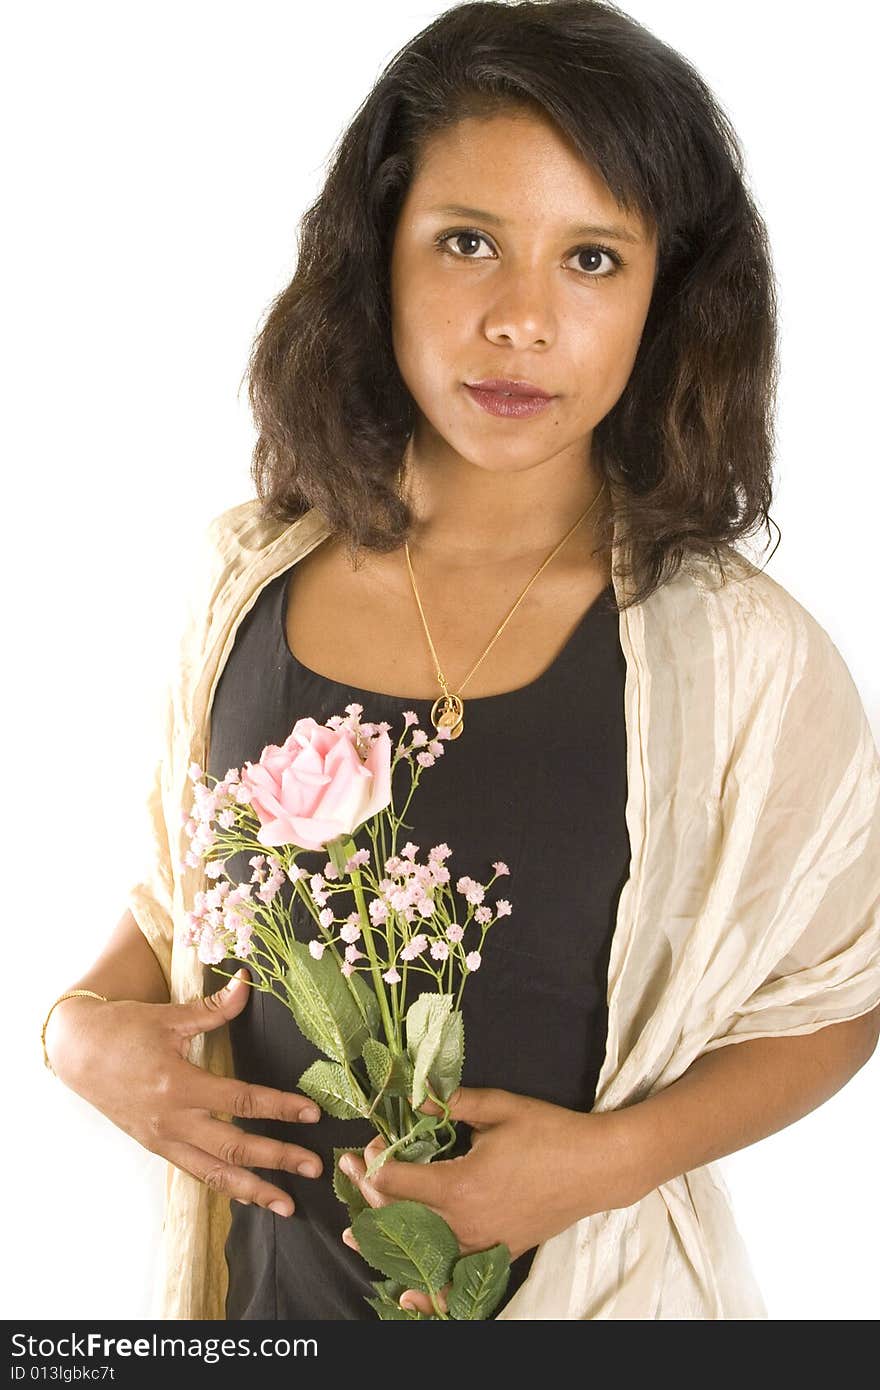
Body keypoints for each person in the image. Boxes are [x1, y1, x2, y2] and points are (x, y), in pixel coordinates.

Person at [41, 0, 880, 1321]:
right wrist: (77, 1030)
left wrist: (607, 1164)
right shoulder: (239, 584)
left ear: (671, 293)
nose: (520, 318)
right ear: (377, 254)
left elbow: (839, 993)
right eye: (469, 241)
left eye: (593, 258)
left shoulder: (746, 656)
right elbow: (192, 900)